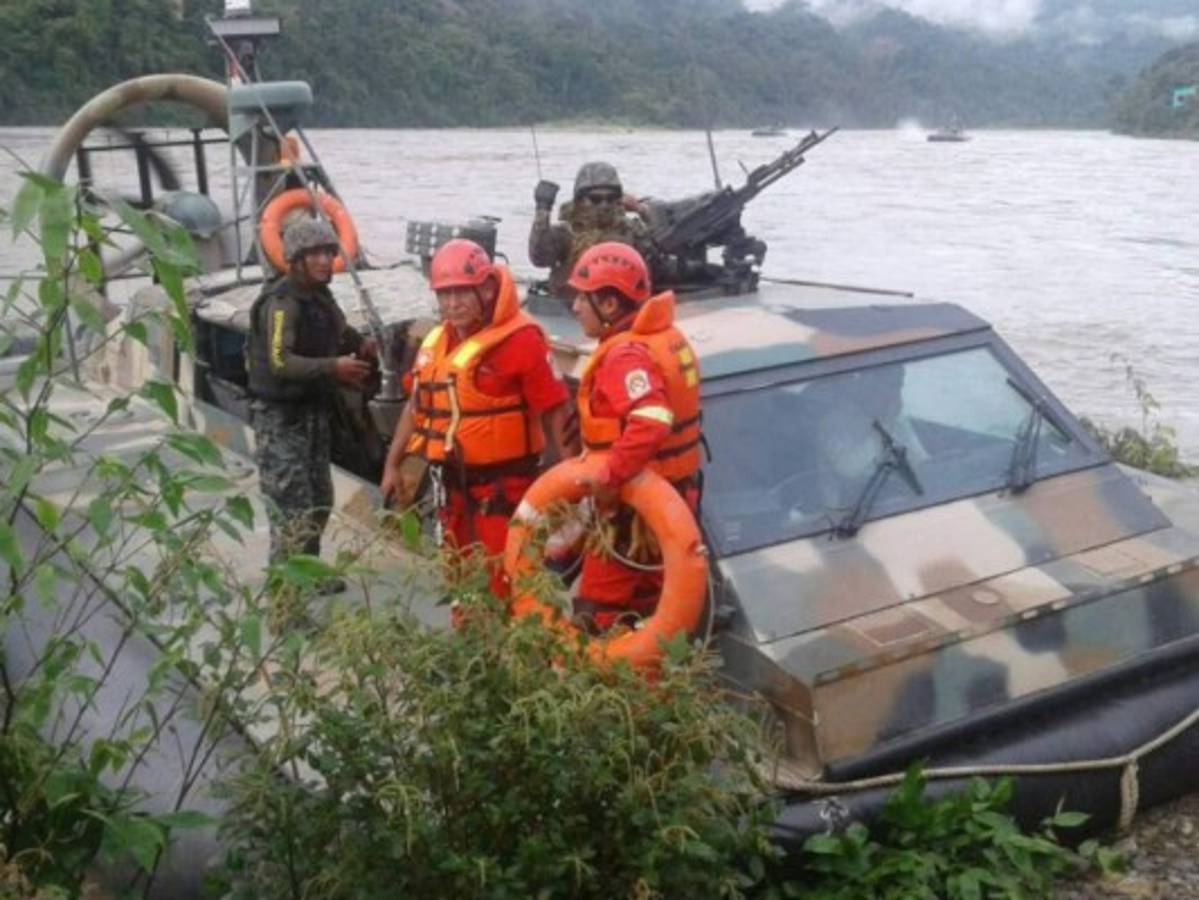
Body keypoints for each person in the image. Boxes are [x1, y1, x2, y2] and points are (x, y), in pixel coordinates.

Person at [379, 238, 573, 596]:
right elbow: (417, 406)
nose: (452, 304)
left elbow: (556, 412)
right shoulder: (438, 342)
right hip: (450, 488)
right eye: (444, 294)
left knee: (504, 585)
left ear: (486, 288)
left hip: (503, 491)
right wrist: (393, 465)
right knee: (459, 584)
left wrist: (570, 483)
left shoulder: (522, 340)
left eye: (461, 292)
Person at [567, 242, 703, 632]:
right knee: (652, 609)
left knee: (596, 613)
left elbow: (651, 419)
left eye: (583, 297)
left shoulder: (625, 356)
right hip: (673, 502)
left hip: (633, 515)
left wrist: (610, 477)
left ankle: (600, 667)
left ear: (609, 305)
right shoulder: (665, 338)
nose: (575, 307)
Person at [246, 216, 376, 578]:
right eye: (314, 254)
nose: (324, 261)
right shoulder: (282, 303)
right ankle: (286, 593)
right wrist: (333, 367)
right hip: (280, 421)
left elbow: (340, 330)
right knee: (291, 510)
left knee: (319, 501)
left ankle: (308, 574)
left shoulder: (319, 297)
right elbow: (280, 361)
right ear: (297, 259)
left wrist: (362, 344)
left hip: (313, 414)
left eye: (328, 253)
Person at [528, 161, 656, 298]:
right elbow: (539, 258)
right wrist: (543, 210)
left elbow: (660, 246)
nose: (604, 205)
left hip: (621, 305)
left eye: (611, 198)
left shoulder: (628, 230)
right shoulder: (567, 232)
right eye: (596, 199)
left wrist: (641, 210)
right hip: (571, 306)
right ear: (580, 200)